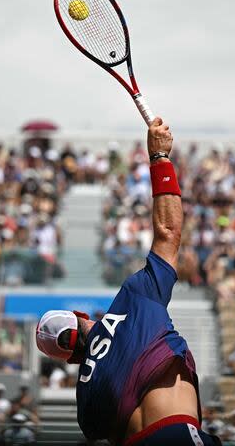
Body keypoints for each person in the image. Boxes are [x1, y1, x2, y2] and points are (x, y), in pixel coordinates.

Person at [35, 117, 221, 445]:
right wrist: (159, 157)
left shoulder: (86, 401)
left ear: (69, 357)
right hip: (179, 434)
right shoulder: (135, 297)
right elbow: (168, 232)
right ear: (81, 317)